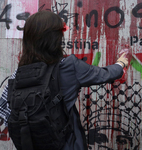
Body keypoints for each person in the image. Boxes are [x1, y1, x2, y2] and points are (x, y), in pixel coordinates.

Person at [0, 10, 128, 150]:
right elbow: (104, 74)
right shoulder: (68, 67)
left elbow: (5, 112)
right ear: (56, 38)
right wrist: (121, 64)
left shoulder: (18, 74)